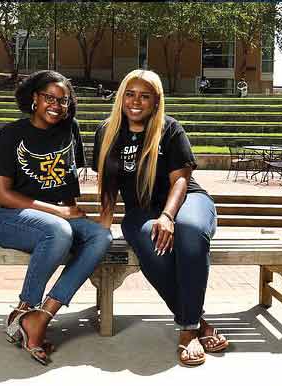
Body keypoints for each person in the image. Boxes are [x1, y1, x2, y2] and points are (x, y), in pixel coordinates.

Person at [92, 69, 227, 367]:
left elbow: (181, 179)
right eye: (130, 94)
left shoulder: (169, 129)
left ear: (155, 101)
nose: (135, 102)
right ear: (121, 97)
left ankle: (187, 330)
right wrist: (104, 225)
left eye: (144, 96)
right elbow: (108, 183)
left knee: (190, 231)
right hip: (139, 211)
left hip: (185, 200)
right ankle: (197, 323)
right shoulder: (106, 131)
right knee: (152, 249)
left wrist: (168, 215)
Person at [0, 70, 113, 366]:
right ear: (33, 99)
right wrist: (61, 213)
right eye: (49, 98)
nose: (56, 105)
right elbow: (2, 194)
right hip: (8, 217)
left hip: (57, 218)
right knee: (59, 230)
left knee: (101, 236)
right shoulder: (11, 134)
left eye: (63, 101)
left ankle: (41, 316)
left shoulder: (70, 128)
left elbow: (66, 182)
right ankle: (24, 307)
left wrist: (75, 212)